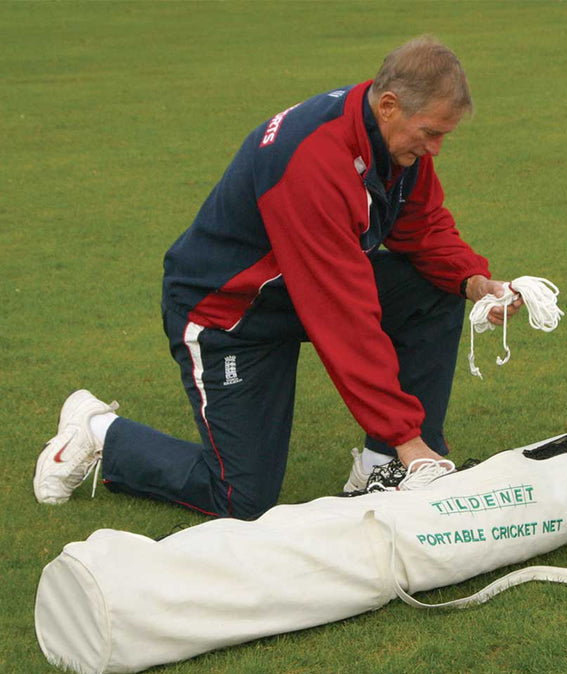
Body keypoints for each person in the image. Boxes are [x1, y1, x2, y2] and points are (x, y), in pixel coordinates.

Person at [33, 36, 522, 519]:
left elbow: (423, 226)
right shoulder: (313, 160)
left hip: (292, 288)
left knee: (431, 290)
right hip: (227, 314)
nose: (436, 148)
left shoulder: (393, 141)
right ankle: (98, 433)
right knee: (241, 499)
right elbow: (342, 315)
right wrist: (406, 435)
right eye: (431, 132)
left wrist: (478, 283)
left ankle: (384, 471)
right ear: (390, 105)